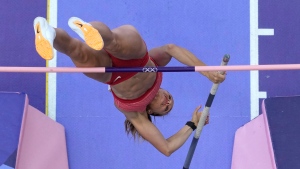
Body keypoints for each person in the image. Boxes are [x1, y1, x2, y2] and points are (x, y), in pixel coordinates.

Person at [33, 16, 226, 156]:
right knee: (113, 42)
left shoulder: (137, 114)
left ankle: (48, 32)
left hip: (111, 75)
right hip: (137, 57)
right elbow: (171, 49)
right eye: (171, 100)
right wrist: (207, 72)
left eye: (165, 108)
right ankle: (87, 28)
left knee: (77, 51)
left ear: (151, 111)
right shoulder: (157, 70)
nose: (167, 102)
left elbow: (166, 148)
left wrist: (192, 124)